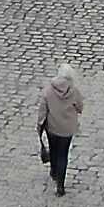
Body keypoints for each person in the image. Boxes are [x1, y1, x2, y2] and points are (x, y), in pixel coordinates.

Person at [35, 63, 86, 196]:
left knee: (53, 149)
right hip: (67, 129)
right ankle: (60, 186)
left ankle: (53, 170)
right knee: (63, 154)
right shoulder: (74, 91)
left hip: (52, 127)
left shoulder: (48, 90)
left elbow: (42, 110)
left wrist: (40, 125)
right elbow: (80, 107)